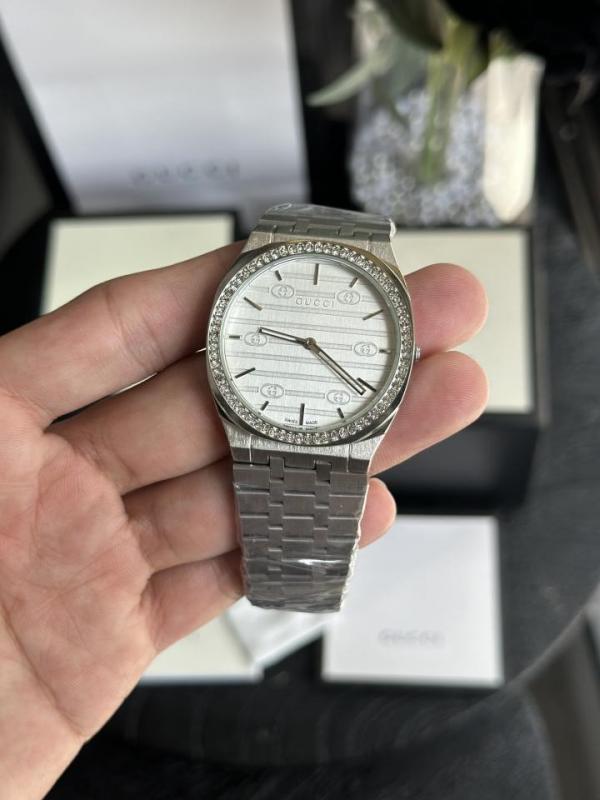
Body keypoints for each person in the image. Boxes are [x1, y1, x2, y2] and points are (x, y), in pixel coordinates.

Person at [0, 242, 488, 799]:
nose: (311, 342)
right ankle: (291, 591)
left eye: (315, 341)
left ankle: (296, 590)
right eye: (305, 341)